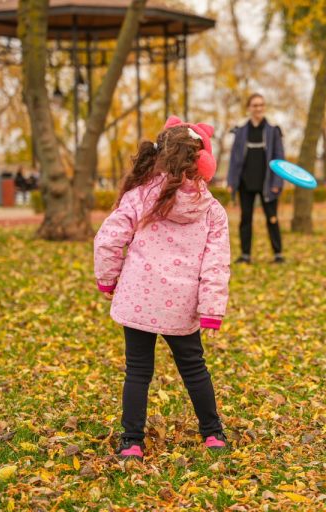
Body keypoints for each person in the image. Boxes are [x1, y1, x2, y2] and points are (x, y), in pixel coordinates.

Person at [94, 116, 230, 459]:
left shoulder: (140, 196)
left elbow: (109, 239)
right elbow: (216, 265)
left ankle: (132, 441)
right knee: (194, 367)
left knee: (138, 370)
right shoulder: (212, 211)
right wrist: (211, 310)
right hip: (181, 305)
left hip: (139, 297)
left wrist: (108, 279)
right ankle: (212, 433)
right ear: (202, 163)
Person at [227, 93, 285, 264]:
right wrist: (232, 181)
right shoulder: (241, 129)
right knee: (246, 219)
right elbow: (234, 157)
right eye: (255, 105)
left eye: (261, 105)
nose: (258, 108)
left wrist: (277, 182)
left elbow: (279, 157)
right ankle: (245, 255)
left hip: (267, 183)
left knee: (272, 218)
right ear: (249, 108)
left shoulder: (273, 129)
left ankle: (278, 254)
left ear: (264, 107)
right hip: (246, 182)